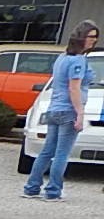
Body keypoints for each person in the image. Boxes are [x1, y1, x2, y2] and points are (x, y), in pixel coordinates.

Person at [23, 19, 99, 201]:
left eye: (95, 37)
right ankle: (53, 190)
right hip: (68, 110)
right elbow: (74, 88)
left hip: (54, 108)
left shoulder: (62, 57)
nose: (93, 41)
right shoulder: (78, 60)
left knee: (47, 151)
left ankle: (32, 187)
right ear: (81, 37)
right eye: (91, 37)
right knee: (62, 153)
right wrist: (80, 113)